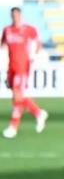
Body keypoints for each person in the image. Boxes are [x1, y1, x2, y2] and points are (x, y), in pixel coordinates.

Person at [1, 7, 48, 139]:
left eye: (17, 15)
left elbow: (38, 44)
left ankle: (13, 127)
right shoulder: (7, 30)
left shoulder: (28, 29)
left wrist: (32, 57)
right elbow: (3, 46)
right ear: (11, 16)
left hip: (22, 67)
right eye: (13, 15)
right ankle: (38, 113)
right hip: (11, 67)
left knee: (17, 96)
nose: (15, 17)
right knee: (17, 97)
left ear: (20, 16)